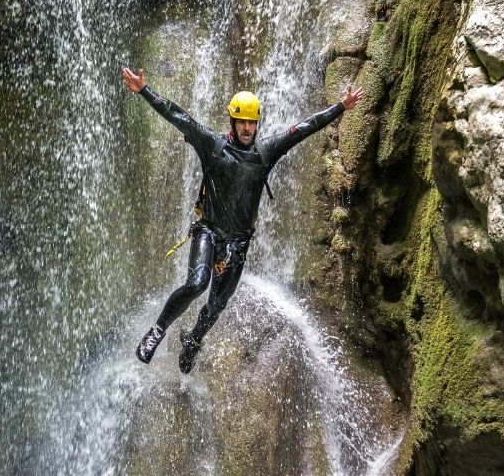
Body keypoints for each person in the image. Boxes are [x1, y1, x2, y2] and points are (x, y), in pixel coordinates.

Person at [121, 66, 363, 374]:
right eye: (242, 121)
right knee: (197, 284)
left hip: (238, 244)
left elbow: (303, 128)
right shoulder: (212, 145)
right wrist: (144, 91)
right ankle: (157, 330)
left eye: (252, 121)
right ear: (233, 122)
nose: (247, 127)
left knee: (218, 304)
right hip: (207, 232)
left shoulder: (266, 151)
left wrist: (341, 107)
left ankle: (193, 340)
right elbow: (178, 116)